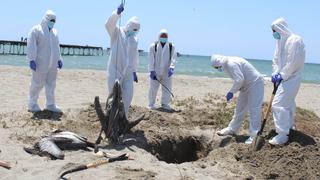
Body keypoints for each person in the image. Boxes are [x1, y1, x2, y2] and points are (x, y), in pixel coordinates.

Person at [269, 18, 306, 145]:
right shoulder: (279, 42)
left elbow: (294, 62)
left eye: (275, 30)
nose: (274, 33)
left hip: (292, 78)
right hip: (283, 79)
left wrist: (282, 75)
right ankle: (289, 126)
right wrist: (275, 74)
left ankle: (282, 134)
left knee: (278, 104)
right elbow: (275, 60)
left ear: (281, 28)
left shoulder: (295, 40)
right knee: (288, 103)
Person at [212, 55, 264, 144]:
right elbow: (240, 80)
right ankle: (232, 129)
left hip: (255, 84)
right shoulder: (227, 64)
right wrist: (236, 89)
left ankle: (254, 135)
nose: (218, 69)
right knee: (239, 109)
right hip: (245, 86)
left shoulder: (231, 64)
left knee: (254, 109)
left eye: (218, 67)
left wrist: (231, 92)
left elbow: (239, 80)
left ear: (220, 63)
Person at [105, 3, 140, 117]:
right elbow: (108, 24)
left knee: (128, 95)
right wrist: (116, 13)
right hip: (115, 70)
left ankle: (123, 118)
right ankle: (111, 118)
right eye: (133, 28)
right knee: (113, 96)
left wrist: (134, 71)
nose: (134, 31)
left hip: (128, 72)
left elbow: (134, 56)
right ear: (128, 25)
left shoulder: (134, 39)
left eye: (137, 30)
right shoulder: (117, 32)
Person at [27, 10, 63, 113]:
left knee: (51, 84)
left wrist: (59, 58)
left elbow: (57, 47)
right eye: (51, 20)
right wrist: (31, 59)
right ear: (46, 19)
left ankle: (50, 104)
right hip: (40, 63)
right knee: (36, 83)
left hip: (52, 64)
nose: (53, 22)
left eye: (54, 21)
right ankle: (32, 104)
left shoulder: (54, 32)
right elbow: (31, 45)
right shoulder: (36, 30)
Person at [148, 29, 177, 110]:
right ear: (159, 36)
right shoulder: (153, 46)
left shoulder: (171, 46)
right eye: (162, 36)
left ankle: (165, 104)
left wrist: (171, 67)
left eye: (165, 36)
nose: (164, 38)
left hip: (166, 72)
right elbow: (151, 59)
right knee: (153, 89)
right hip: (155, 72)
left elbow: (173, 58)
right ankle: (151, 104)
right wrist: (151, 70)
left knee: (167, 89)